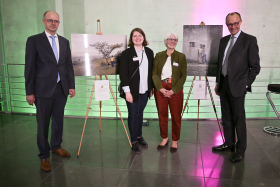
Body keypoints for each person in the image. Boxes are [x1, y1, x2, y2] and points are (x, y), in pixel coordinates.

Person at [25, 11, 75, 171]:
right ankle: (44, 155)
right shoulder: (34, 41)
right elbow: (29, 67)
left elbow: (68, 66)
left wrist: (71, 85)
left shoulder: (64, 41)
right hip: (42, 90)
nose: (53, 23)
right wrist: (29, 92)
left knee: (58, 121)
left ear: (59, 23)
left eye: (56, 21)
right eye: (50, 20)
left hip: (61, 89)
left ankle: (56, 146)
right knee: (43, 124)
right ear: (44, 21)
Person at [212, 12, 260, 162]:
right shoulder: (223, 40)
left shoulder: (249, 40)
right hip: (224, 85)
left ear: (240, 22)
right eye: (230, 24)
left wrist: (246, 84)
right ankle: (229, 143)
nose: (232, 27)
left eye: (235, 23)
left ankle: (240, 150)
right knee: (226, 117)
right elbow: (220, 63)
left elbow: (255, 67)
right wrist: (218, 82)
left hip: (239, 86)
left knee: (239, 119)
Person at [119, 28, 154, 154]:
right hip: (132, 91)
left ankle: (139, 136)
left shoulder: (149, 52)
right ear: (131, 39)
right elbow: (123, 74)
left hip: (145, 90)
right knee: (133, 115)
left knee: (140, 114)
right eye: (134, 36)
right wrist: (127, 92)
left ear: (144, 37)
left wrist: (151, 88)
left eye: (140, 35)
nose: (137, 38)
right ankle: (133, 141)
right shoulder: (126, 53)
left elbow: (151, 72)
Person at [152, 33, 187, 153]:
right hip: (161, 87)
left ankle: (175, 140)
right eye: (170, 39)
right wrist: (160, 88)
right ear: (166, 41)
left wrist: (173, 91)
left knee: (176, 116)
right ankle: (164, 138)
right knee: (162, 115)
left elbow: (183, 76)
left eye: (174, 40)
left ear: (176, 42)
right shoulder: (159, 56)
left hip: (175, 88)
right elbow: (154, 74)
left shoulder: (181, 57)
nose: (172, 41)